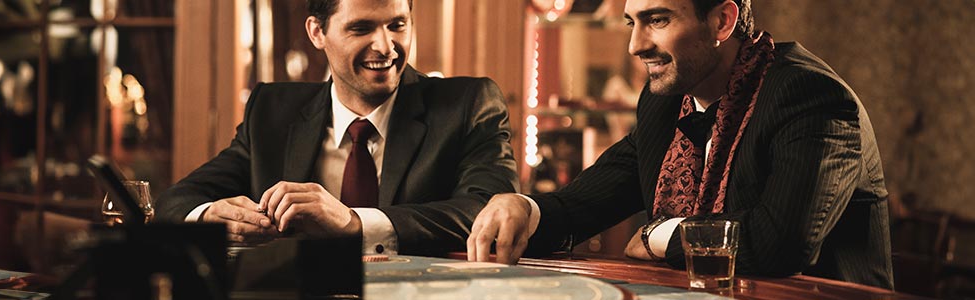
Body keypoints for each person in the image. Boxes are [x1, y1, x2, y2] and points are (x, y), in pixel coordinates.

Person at [467, 0, 892, 289]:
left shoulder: (809, 95)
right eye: (632, 23)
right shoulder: (664, 102)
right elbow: (587, 200)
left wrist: (657, 235)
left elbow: (779, 242)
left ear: (722, 21)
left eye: (658, 20)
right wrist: (525, 208)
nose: (635, 46)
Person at [155, 0, 518, 257]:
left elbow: (488, 210)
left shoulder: (467, 103)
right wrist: (212, 217)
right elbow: (175, 200)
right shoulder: (272, 110)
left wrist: (354, 222)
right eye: (361, 28)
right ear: (317, 32)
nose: (385, 46)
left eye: (397, 25)